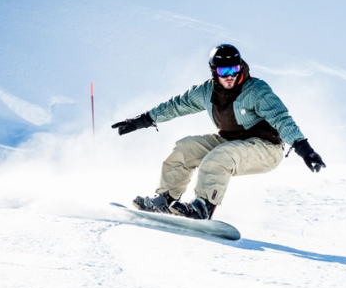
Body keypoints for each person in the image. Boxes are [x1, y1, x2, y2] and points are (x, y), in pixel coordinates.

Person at [111, 44, 325, 219]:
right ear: (215, 72)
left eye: (235, 69)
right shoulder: (206, 91)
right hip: (229, 141)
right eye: (224, 71)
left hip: (265, 147)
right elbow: (177, 105)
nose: (230, 75)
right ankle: (165, 199)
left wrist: (304, 149)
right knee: (185, 147)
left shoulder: (256, 90)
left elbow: (281, 118)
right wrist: (143, 120)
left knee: (219, 157)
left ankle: (202, 206)